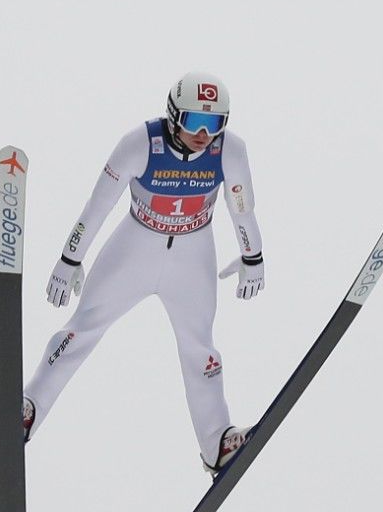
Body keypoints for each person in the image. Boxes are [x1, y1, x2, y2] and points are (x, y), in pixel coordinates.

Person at [21, 72, 265, 476]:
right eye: (193, 122)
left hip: (193, 253)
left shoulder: (230, 151)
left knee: (200, 348)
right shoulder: (141, 144)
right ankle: (30, 406)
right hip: (136, 246)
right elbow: (96, 208)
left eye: (214, 123)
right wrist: (70, 259)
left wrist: (252, 256)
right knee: (83, 327)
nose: (203, 134)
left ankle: (216, 442)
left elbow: (242, 208)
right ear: (173, 116)